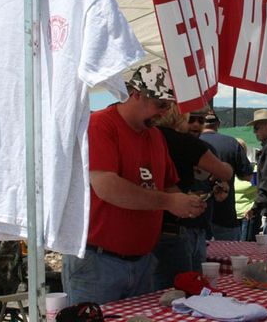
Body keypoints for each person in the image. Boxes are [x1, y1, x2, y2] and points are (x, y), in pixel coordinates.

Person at [61, 64, 207, 305]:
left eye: (169, 105)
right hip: (97, 262)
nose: (165, 111)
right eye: (161, 104)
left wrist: (187, 202)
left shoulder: (156, 136)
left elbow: (169, 184)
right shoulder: (101, 125)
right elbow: (107, 187)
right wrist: (170, 201)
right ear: (136, 94)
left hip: (142, 262)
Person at [152, 104, 233, 290]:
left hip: (160, 228)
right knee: (184, 293)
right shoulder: (184, 142)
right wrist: (226, 169)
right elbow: (224, 172)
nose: (196, 124)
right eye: (192, 118)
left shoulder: (149, 137)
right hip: (176, 229)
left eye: (201, 120)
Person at [200, 111, 253, 240]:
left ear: (202, 124)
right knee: (228, 259)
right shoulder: (232, 143)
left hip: (196, 215)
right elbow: (247, 176)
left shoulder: (192, 142)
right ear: (218, 124)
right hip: (225, 215)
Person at [233, 139, 261, 241]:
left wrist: (253, 208)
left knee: (246, 248)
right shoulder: (229, 170)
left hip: (248, 216)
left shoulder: (253, 170)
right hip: (232, 216)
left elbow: (262, 191)